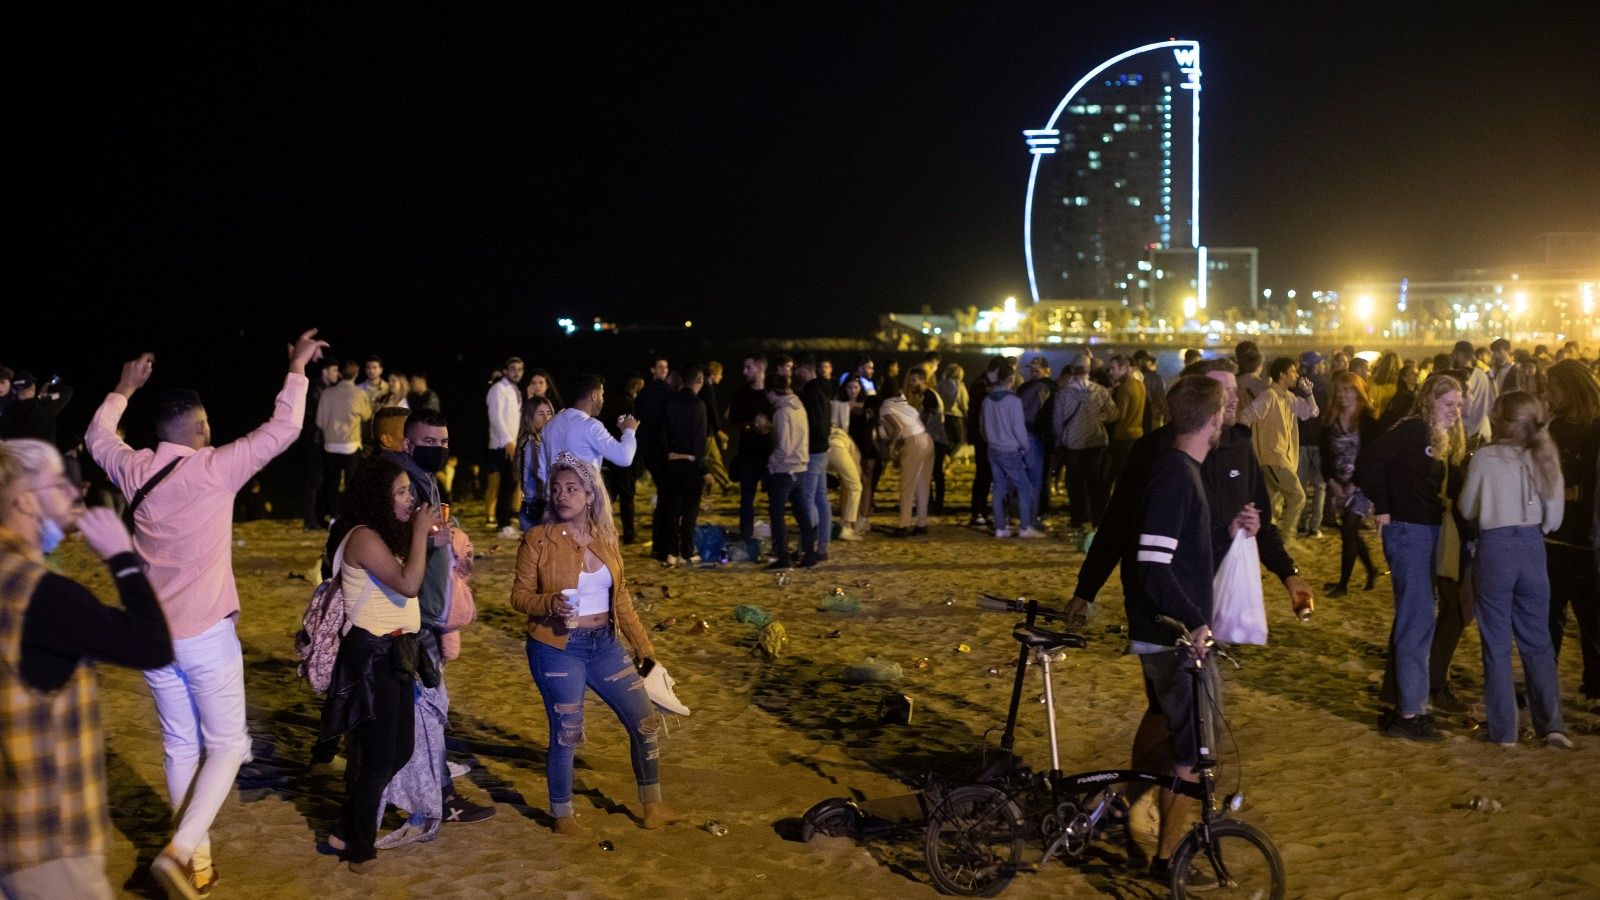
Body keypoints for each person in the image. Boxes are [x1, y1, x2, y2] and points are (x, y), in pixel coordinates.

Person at [85, 330, 327, 895]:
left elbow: (98, 436)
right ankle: (180, 850)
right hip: (206, 635)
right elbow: (285, 428)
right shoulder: (213, 468)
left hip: (151, 637)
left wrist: (123, 387)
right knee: (229, 746)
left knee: (179, 746)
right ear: (199, 429)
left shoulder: (132, 468)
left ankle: (198, 861)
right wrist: (295, 366)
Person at [0, 440, 173, 900]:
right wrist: (121, 558)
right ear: (24, 501)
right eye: (59, 485)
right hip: (47, 844)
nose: (74, 494)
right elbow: (153, 646)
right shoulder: (45, 595)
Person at [509, 452, 680, 834]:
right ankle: (562, 813)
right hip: (556, 647)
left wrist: (645, 649)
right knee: (567, 731)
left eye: (572, 488)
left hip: (604, 645)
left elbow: (621, 599)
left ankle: (652, 807)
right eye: (557, 489)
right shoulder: (537, 539)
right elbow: (519, 597)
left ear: (590, 496)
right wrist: (549, 603)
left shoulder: (605, 538)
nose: (562, 495)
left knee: (646, 722)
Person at [1127, 375, 1229, 881]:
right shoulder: (1174, 474)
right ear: (1214, 420)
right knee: (1193, 755)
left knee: (1171, 732)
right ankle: (1168, 861)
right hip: (1174, 639)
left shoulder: (1180, 469)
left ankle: (1130, 812)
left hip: (1167, 633)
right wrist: (1194, 621)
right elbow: (1153, 564)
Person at [317, 458, 441, 872]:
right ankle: (360, 851)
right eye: (402, 492)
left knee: (400, 748)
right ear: (378, 497)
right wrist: (421, 534)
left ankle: (343, 830)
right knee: (379, 756)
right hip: (371, 657)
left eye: (410, 491)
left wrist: (425, 537)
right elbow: (408, 584)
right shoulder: (364, 538)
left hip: (394, 654)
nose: (411, 499)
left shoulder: (385, 535)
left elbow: (412, 577)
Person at [1458, 391, 1573, 749]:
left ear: (1501, 419)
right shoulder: (1546, 455)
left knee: (1495, 642)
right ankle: (1552, 725)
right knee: (1537, 640)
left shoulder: (1486, 457)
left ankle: (1504, 731)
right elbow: (1554, 520)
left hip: (1495, 547)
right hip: (1532, 548)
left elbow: (1466, 508)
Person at [1356, 373, 1465, 741]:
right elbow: (1368, 461)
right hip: (1409, 532)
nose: (1456, 411)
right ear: (1429, 401)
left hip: (1428, 532)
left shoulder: (1439, 436)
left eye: (1459, 404)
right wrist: (1384, 509)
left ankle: (1404, 702)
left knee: (1418, 618)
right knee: (1416, 621)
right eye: (1449, 404)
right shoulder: (1414, 430)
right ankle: (1410, 713)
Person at [1542, 359, 1600, 706]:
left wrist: (1574, 492)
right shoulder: (1556, 427)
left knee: (1592, 619)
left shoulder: (1596, 428)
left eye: (1554, 388)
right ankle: (1544, 683)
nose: (1549, 394)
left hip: (1588, 541)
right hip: (1553, 536)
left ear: (1572, 388)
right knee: (1549, 617)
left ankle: (1595, 687)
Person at [1241, 357, 1319, 552]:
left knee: (1271, 507)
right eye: (1293, 371)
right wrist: (1247, 444)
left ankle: (1264, 544)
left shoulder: (1289, 397)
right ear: (1282, 375)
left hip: (1282, 457)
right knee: (1297, 496)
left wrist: (1308, 392)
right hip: (1273, 458)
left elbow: (1312, 412)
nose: (1296, 375)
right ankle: (1286, 540)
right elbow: (1246, 416)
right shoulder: (1269, 396)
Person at [1320, 372, 1381, 597]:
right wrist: (1330, 480)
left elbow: (1372, 455)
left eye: (1349, 390)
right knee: (1350, 531)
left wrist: (1355, 484)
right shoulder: (1330, 418)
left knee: (1348, 528)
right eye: (1340, 390)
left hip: (1361, 484)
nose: (1344, 395)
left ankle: (1343, 584)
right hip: (1338, 483)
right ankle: (1372, 569)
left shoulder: (1367, 419)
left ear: (1358, 392)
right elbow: (1323, 454)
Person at [1052, 360, 1117, 533]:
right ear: (1089, 371)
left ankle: (1076, 520)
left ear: (1073, 370)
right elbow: (1114, 414)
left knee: (1075, 484)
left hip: (1072, 444)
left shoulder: (1063, 394)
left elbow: (1057, 422)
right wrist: (1099, 419)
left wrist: (1060, 440)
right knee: (1095, 483)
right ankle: (1096, 521)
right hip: (1095, 442)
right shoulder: (1100, 391)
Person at [981, 363, 1043, 539]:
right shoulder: (1014, 401)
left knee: (999, 489)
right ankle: (1025, 527)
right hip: (1009, 450)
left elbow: (984, 426)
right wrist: (1025, 446)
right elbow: (1019, 429)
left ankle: (1000, 528)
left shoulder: (987, 400)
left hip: (993, 449)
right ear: (1011, 380)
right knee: (1025, 488)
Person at [764, 372, 818, 568]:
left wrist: (770, 465)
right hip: (801, 467)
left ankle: (783, 557)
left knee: (777, 514)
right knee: (802, 514)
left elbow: (783, 448)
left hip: (784, 470)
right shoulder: (799, 407)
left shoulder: (782, 412)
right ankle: (810, 555)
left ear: (772, 392)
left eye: (767, 394)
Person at [659, 365, 710, 564]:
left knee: (672, 509)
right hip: (690, 463)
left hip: (672, 462)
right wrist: (703, 468)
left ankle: (671, 553)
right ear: (699, 381)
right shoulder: (698, 405)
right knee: (690, 509)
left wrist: (668, 454)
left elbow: (662, 435)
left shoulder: (670, 402)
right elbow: (699, 441)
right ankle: (687, 551)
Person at [315, 357, 373, 526]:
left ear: (339, 373)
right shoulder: (360, 394)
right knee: (351, 483)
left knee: (332, 483)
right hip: (351, 445)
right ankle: (350, 516)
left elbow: (319, 421)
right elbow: (367, 416)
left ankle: (333, 517)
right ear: (356, 374)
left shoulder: (327, 393)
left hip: (331, 445)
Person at [878, 368, 934, 537]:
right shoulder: (905, 405)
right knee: (923, 485)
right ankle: (921, 524)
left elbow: (896, 428)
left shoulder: (885, 408)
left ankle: (903, 525)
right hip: (927, 440)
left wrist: (891, 447)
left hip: (913, 442)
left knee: (908, 485)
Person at [727, 354, 773, 559]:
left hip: (771, 455)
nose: (744, 372)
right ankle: (746, 537)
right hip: (748, 454)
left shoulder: (772, 393)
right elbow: (733, 420)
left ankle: (777, 538)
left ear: (760, 368)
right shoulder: (741, 393)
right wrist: (748, 425)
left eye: (748, 367)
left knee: (776, 499)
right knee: (747, 499)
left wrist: (769, 426)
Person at [794, 358, 837, 557]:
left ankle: (808, 546)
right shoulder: (823, 390)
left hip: (813, 451)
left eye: (797, 369)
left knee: (808, 499)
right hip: (824, 449)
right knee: (821, 499)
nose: (795, 372)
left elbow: (814, 424)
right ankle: (823, 546)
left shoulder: (811, 393)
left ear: (805, 369)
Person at [486, 357, 524, 538]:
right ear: (505, 370)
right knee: (507, 483)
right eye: (512, 368)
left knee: (512, 482)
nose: (516, 372)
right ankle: (503, 524)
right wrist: (508, 441)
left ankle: (507, 520)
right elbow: (496, 418)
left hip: (513, 443)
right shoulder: (497, 389)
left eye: (519, 369)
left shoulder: (514, 390)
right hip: (502, 444)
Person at [1296, 351, 1331, 538]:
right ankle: (1314, 527)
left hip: (1300, 440)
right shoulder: (1324, 385)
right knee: (1319, 485)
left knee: (1301, 485)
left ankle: (1301, 524)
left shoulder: (1296, 384)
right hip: (1318, 440)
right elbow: (1326, 412)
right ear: (1315, 365)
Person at [826, 380, 864, 542]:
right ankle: (847, 527)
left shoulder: (831, 406)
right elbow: (854, 479)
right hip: (838, 445)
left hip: (821, 446)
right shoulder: (855, 448)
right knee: (856, 485)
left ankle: (823, 525)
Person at [0, 372, 73, 447]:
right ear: (33, 387)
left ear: (14, 390)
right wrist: (48, 387)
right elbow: (67, 391)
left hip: (17, 457)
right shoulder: (46, 405)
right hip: (43, 457)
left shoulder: (7, 411)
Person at [1106, 355, 1146, 489]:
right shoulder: (1140, 385)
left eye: (1113, 368)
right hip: (1137, 435)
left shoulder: (1124, 388)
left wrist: (1102, 416)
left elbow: (1120, 414)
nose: (1110, 372)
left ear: (1123, 368)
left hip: (1123, 437)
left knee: (1118, 477)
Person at [517, 396, 556, 530]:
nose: (546, 418)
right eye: (540, 414)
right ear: (529, 417)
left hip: (534, 506)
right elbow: (540, 472)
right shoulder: (531, 444)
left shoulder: (537, 441)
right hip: (535, 507)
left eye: (549, 413)